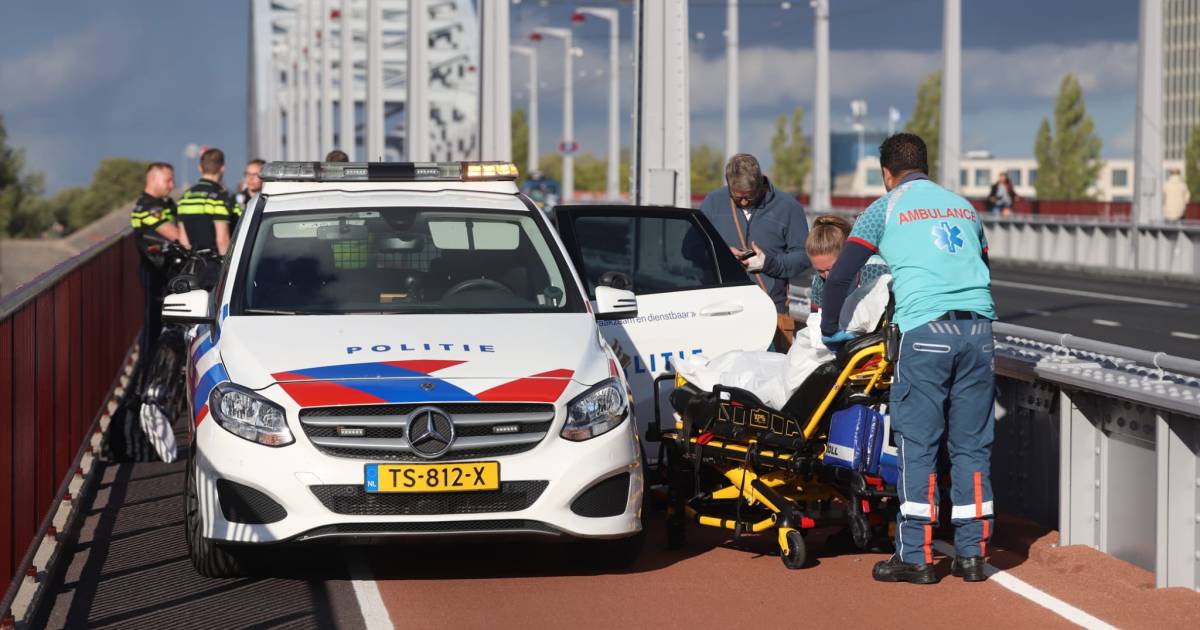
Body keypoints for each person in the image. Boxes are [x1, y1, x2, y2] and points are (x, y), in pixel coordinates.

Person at [820, 133, 997, 585]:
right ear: (926, 164)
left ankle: (915, 557)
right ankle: (973, 553)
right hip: (978, 331)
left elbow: (840, 274)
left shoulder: (887, 207)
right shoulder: (964, 206)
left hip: (926, 332)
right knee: (971, 446)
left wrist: (829, 331)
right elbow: (984, 265)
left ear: (886, 173)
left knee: (918, 445)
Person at [698, 153, 810, 351]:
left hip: (769, 311)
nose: (743, 202)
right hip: (720, 309)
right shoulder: (713, 202)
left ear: (761, 184)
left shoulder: (789, 208)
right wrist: (722, 255)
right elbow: (690, 249)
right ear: (728, 185)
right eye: (737, 196)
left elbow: (803, 256)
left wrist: (769, 264)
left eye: (749, 196)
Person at [130, 162, 184, 365]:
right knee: (152, 326)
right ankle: (145, 376)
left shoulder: (165, 203)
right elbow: (176, 235)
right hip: (154, 272)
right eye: (168, 179)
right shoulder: (147, 207)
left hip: (166, 270)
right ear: (153, 179)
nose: (172, 184)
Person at [806, 214, 889, 315]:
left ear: (847, 255)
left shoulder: (875, 269)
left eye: (831, 269)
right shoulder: (819, 281)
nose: (828, 276)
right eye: (820, 270)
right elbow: (816, 319)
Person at [177, 148, 237, 255]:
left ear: (200, 168)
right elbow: (222, 240)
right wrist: (226, 267)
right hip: (215, 264)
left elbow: (184, 241)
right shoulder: (221, 197)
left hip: (193, 265)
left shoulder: (185, 197)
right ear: (222, 168)